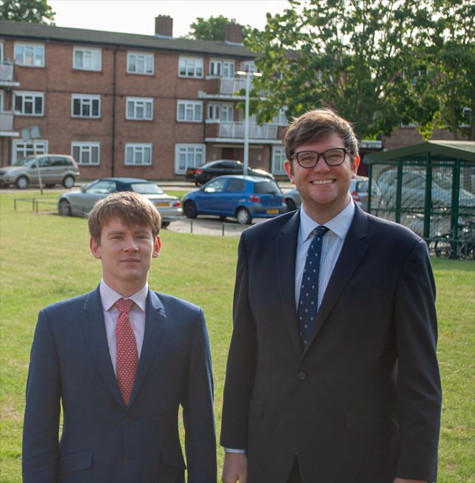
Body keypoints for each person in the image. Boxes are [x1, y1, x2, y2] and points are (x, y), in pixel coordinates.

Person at [220, 109, 441, 483]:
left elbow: (420, 378)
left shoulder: (402, 251)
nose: (321, 167)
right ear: (290, 171)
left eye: (333, 155)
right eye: (307, 157)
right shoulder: (255, 245)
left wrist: (415, 472)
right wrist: (235, 448)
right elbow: (244, 353)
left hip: (361, 460)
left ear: (354, 163)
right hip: (270, 456)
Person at [23, 192, 217, 483]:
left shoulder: (188, 321)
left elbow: (201, 425)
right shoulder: (56, 323)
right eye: (117, 237)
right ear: (95, 246)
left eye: (140, 236)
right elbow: (40, 425)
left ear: (156, 246)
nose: (130, 247)